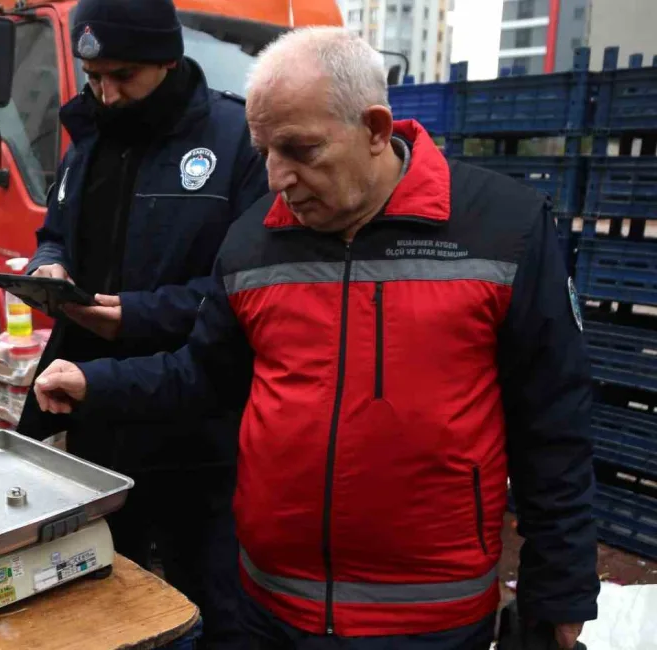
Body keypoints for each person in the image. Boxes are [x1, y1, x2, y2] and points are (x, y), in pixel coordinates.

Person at [33, 27, 598, 650]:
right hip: (270, 608)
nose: (277, 177)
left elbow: (554, 423)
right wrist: (96, 382)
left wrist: (559, 592)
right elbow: (205, 374)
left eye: (300, 151)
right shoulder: (253, 240)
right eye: (265, 150)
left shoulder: (503, 229)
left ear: (377, 129)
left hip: (428, 621)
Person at [17, 0, 268, 646]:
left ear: (167, 58)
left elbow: (243, 293)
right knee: (110, 593)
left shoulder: (235, 141)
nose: (107, 94)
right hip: (100, 414)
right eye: (94, 77)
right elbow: (54, 232)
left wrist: (135, 316)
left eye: (122, 75)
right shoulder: (88, 145)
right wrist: (49, 267)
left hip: (200, 431)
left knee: (208, 602)